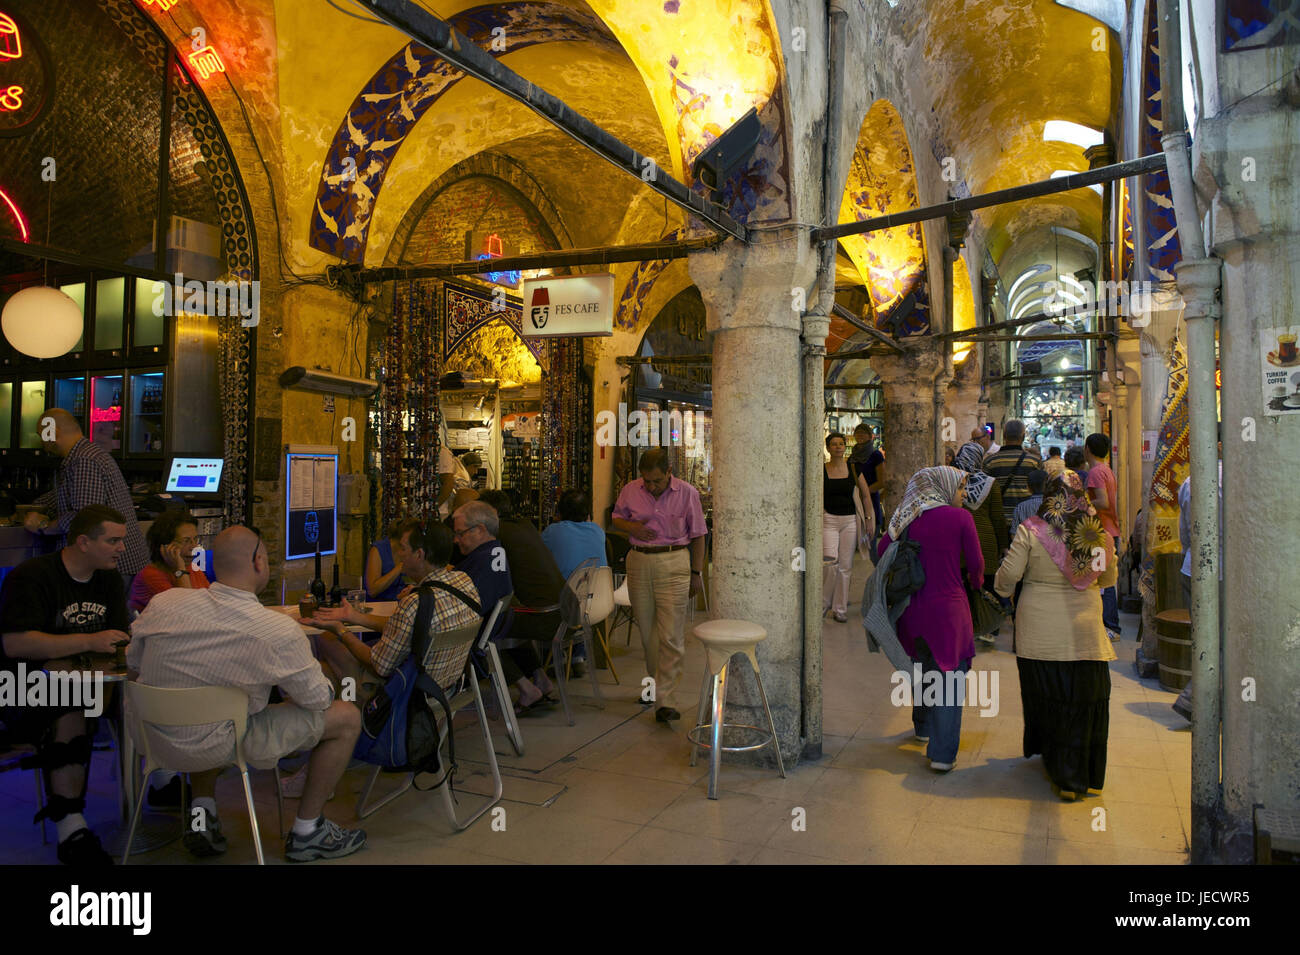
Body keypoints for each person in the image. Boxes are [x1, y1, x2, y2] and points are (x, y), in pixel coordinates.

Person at [129, 526, 366, 862]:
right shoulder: (275, 630)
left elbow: (133, 664)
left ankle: (202, 816)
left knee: (202, 697)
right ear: (259, 561)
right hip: (220, 740)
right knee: (346, 716)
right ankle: (307, 832)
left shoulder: (165, 603)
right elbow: (317, 701)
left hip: (153, 739)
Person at [0, 505, 131, 865]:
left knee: (145, 695)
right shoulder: (32, 576)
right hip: (20, 685)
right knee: (70, 701)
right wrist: (88, 641)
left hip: (91, 682)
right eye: (113, 540)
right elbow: (15, 644)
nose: (122, 548)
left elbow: (119, 637)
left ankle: (165, 780)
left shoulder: (108, 580)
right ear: (84, 542)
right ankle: (71, 829)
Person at [994, 473, 1116, 801]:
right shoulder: (1097, 532)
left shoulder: (1031, 530)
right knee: (1085, 702)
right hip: (1086, 632)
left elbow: (1008, 577)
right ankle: (1086, 777)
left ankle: (1063, 775)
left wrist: (1001, 590)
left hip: (1039, 632)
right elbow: (1108, 577)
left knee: (1051, 700)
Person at [311, 520, 481, 712]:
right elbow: (409, 627)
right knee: (326, 669)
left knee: (326, 640)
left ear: (419, 555)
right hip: (446, 688)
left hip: (406, 693)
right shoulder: (464, 581)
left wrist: (340, 630)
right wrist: (355, 616)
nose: (399, 554)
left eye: (403, 548)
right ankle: (343, 716)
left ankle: (359, 716)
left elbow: (379, 666)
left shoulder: (415, 603)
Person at [876, 467, 983, 772]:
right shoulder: (961, 518)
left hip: (912, 610)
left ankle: (922, 727)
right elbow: (976, 565)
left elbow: (882, 551)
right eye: (962, 487)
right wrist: (975, 584)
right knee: (949, 677)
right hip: (949, 611)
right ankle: (942, 753)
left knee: (922, 669)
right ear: (944, 487)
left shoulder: (908, 515)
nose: (964, 494)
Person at [610, 448, 707, 724]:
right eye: (646, 481)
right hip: (639, 561)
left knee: (671, 634)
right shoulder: (631, 490)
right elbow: (616, 518)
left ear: (668, 473)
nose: (651, 487)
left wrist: (696, 572)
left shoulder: (687, 493)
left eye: (657, 481)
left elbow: (699, 536)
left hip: (674, 560)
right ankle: (655, 686)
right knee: (648, 633)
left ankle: (666, 700)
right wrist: (632, 529)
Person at [452, 498, 558, 713]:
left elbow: (467, 602)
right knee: (494, 632)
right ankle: (540, 679)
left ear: (480, 530)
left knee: (475, 639)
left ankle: (527, 688)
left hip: (505, 620)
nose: (456, 540)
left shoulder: (481, 557)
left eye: (460, 533)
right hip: (524, 614)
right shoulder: (496, 549)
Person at [23, 408, 148, 588]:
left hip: (114, 566)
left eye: (41, 435)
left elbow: (85, 519)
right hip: (113, 563)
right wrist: (32, 508)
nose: (40, 441)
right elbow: (60, 496)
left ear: (54, 433)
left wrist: (43, 526)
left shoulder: (84, 460)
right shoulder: (81, 456)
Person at [1171, 433, 1224, 722]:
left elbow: (1185, 533)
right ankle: (1196, 700)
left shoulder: (1191, 482)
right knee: (1225, 640)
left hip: (1194, 568)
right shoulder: (1244, 477)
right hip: (1226, 573)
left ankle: (1200, 699)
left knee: (1204, 638)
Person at [540, 489, 608, 676]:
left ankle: (555, 657)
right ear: (588, 513)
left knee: (544, 595)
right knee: (578, 594)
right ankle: (578, 656)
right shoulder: (598, 531)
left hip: (565, 607)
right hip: (599, 604)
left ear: (559, 512)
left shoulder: (552, 532)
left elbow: (540, 556)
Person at [953, 443, 1008, 646]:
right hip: (984, 540)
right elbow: (998, 517)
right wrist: (1004, 545)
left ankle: (963, 626)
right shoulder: (990, 483)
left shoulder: (953, 481)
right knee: (986, 585)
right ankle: (988, 628)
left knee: (961, 586)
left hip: (958, 542)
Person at [128, 509, 210, 613]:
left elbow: (208, 606)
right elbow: (188, 610)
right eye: (186, 541)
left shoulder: (192, 568)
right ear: (166, 545)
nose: (194, 547)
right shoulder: (150, 575)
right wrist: (180, 570)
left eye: (195, 539)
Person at [1083, 433, 1121, 639]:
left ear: (1087, 449)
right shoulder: (1105, 470)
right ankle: (1110, 624)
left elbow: (1103, 501)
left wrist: (1081, 502)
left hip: (1101, 532)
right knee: (1107, 580)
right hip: (1108, 530)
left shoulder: (1096, 472)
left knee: (1103, 582)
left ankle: (1109, 625)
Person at [822, 433, 860, 623]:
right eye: (833, 444)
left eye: (841, 444)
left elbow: (865, 495)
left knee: (845, 566)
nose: (838, 447)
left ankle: (840, 608)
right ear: (828, 448)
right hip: (829, 519)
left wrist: (869, 519)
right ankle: (822, 603)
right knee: (830, 563)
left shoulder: (853, 468)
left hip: (849, 521)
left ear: (845, 447)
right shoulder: (822, 470)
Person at [982, 419, 1043, 533]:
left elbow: (984, 493)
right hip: (1028, 522)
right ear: (1023, 436)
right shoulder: (1034, 461)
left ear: (1004, 436)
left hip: (1000, 523)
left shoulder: (990, 461)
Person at [851, 426, 886, 535]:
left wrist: (864, 492)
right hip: (855, 501)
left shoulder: (876, 455)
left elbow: (882, 481)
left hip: (870, 499)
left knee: (870, 543)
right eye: (858, 432)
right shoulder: (853, 456)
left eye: (863, 433)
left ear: (870, 436)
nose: (860, 435)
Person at [363, 521, 410, 603]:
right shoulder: (378, 550)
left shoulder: (409, 550)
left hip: (401, 602)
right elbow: (372, 591)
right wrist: (399, 567)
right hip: (379, 604)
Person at [1010, 468, 1049, 539]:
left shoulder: (1020, 507)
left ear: (1028, 488)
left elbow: (1014, 534)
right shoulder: (1054, 506)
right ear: (1048, 486)